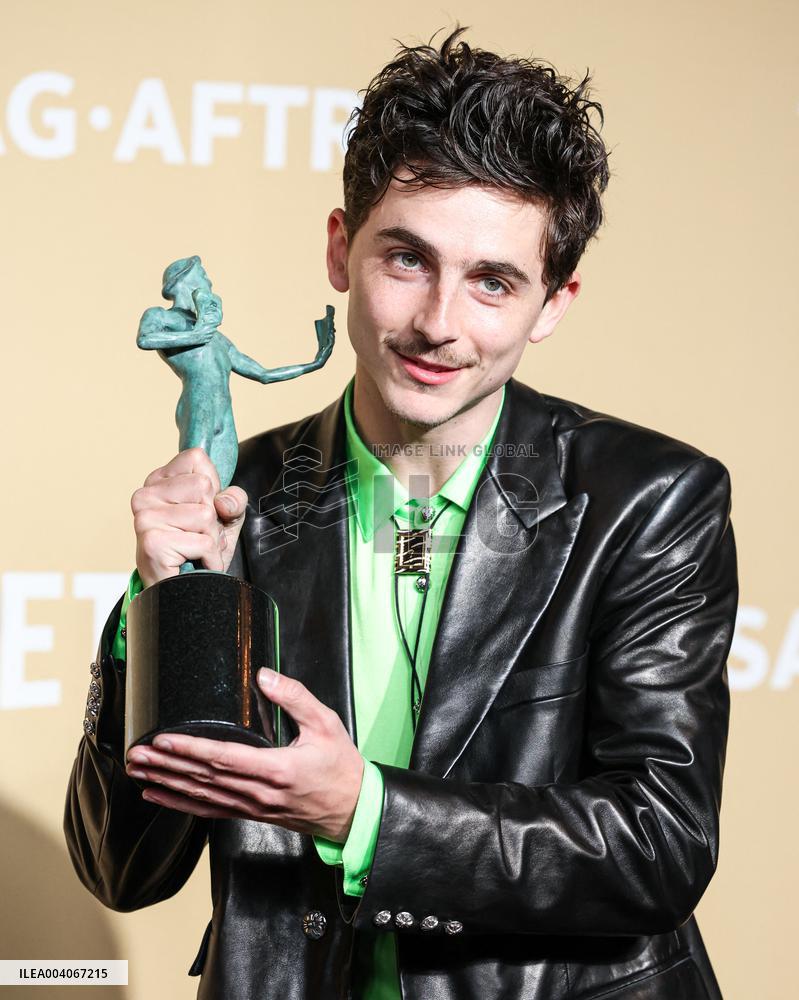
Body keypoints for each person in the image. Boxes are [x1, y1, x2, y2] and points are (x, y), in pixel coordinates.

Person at [64, 26, 738, 1000]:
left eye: (493, 281)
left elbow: (657, 845)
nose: (437, 324)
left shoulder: (651, 498)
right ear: (341, 249)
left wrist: (366, 812)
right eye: (407, 259)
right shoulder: (234, 496)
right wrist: (168, 604)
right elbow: (123, 870)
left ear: (552, 299)